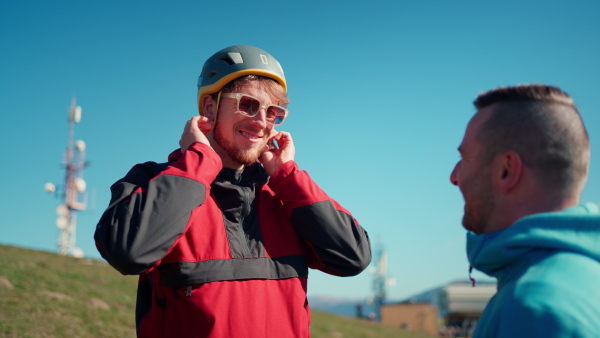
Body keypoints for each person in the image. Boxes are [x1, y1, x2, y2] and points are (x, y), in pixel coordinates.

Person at [94, 45, 372, 337]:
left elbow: (352, 257)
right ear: (210, 108)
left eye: (273, 112)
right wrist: (199, 160)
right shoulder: (154, 180)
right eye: (248, 105)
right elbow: (127, 251)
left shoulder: (284, 195)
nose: (261, 122)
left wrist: (286, 175)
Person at [450, 84, 600, 337]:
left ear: (506, 170)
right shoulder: (584, 280)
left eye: (464, 159)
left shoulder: (535, 308)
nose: (454, 177)